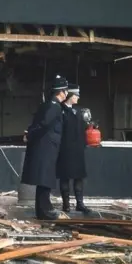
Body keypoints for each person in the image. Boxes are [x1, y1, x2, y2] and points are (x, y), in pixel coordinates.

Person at [21, 75, 68, 220]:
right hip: (46, 147)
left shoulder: (49, 105)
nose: (67, 93)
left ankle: (43, 209)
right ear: (61, 92)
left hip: (46, 146)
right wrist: (30, 135)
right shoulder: (54, 106)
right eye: (66, 90)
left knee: (44, 179)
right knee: (45, 179)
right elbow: (44, 124)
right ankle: (45, 210)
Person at [56, 84, 92, 214]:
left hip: (77, 149)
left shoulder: (77, 111)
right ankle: (66, 204)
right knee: (65, 177)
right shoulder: (61, 110)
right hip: (65, 148)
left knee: (79, 177)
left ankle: (80, 203)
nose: (78, 98)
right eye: (76, 95)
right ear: (70, 96)